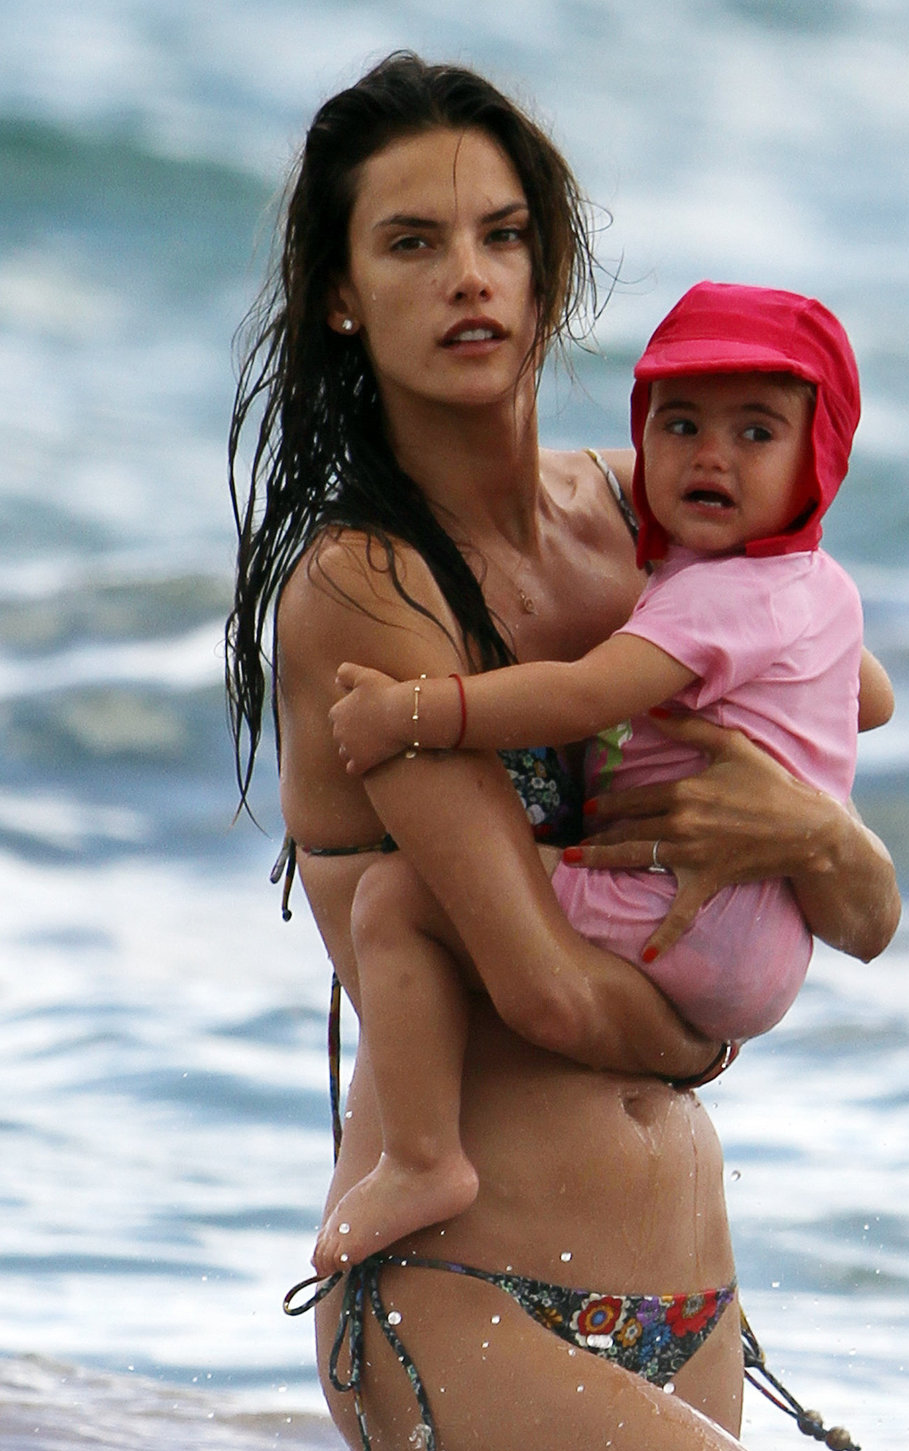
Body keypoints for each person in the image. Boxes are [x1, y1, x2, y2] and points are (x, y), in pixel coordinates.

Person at [226, 50, 909, 1451]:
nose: (467, 272)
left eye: (500, 233)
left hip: (683, 1282)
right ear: (340, 299)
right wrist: (727, 1019)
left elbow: (845, 818)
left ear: (549, 270)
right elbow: (541, 990)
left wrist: (826, 850)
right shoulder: (366, 587)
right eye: (409, 243)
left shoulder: (650, 517)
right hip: (476, 1298)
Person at [318, 282, 871, 1268]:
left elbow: (580, 696)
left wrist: (414, 712)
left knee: (396, 899)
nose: (709, 454)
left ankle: (421, 1158)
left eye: (756, 433)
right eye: (681, 422)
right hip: (766, 938)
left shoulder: (711, 605)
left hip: (680, 914)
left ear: (817, 460)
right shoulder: (818, 590)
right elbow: (866, 701)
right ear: (640, 428)